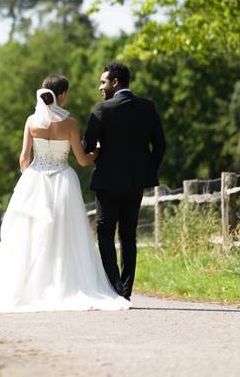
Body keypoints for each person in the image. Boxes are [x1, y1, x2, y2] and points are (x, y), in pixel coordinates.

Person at [0, 74, 131, 313]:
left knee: (32, 235)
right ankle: (63, 283)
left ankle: (32, 286)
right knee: (66, 234)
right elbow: (83, 160)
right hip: (63, 179)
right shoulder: (70, 123)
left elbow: (23, 158)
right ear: (61, 94)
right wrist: (97, 152)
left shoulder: (32, 121)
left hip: (36, 179)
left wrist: (31, 179)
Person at [82, 61, 166, 300]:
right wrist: (147, 172)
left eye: (103, 82)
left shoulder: (101, 110)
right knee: (129, 235)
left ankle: (115, 287)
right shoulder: (147, 107)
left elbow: (87, 147)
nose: (100, 87)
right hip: (136, 184)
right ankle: (126, 291)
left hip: (107, 184)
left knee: (105, 234)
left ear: (115, 82)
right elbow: (160, 145)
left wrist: (95, 147)